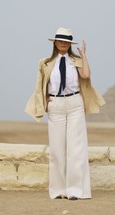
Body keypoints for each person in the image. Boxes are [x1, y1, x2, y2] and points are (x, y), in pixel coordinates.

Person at [25, 27, 105, 200]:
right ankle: (59, 190)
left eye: (66, 40)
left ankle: (75, 190)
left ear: (70, 43)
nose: (63, 43)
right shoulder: (44, 63)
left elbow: (86, 74)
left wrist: (83, 55)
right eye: (60, 40)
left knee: (76, 149)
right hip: (56, 106)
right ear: (55, 42)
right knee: (56, 150)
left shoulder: (75, 61)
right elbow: (40, 84)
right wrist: (45, 100)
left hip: (75, 103)